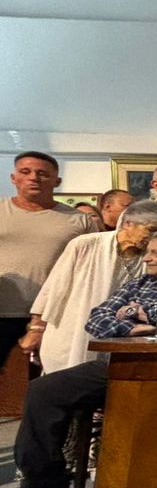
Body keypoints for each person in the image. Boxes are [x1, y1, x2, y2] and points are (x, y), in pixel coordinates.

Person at [0, 230, 157, 488]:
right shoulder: (140, 283)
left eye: (156, 253)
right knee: (44, 390)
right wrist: (133, 327)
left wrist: (132, 312)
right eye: (148, 252)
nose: (147, 258)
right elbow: (97, 318)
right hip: (119, 367)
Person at [20, 201, 157, 373]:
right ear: (128, 223)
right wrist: (36, 329)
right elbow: (54, 288)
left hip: (119, 338)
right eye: (151, 230)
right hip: (73, 330)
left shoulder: (153, 259)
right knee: (67, 380)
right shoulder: (86, 244)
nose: (154, 239)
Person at [0, 151, 97, 370]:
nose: (33, 178)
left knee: (46, 379)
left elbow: (89, 270)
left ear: (57, 181)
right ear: (13, 178)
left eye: (42, 174)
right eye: (25, 172)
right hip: (3, 308)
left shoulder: (79, 220)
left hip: (53, 314)